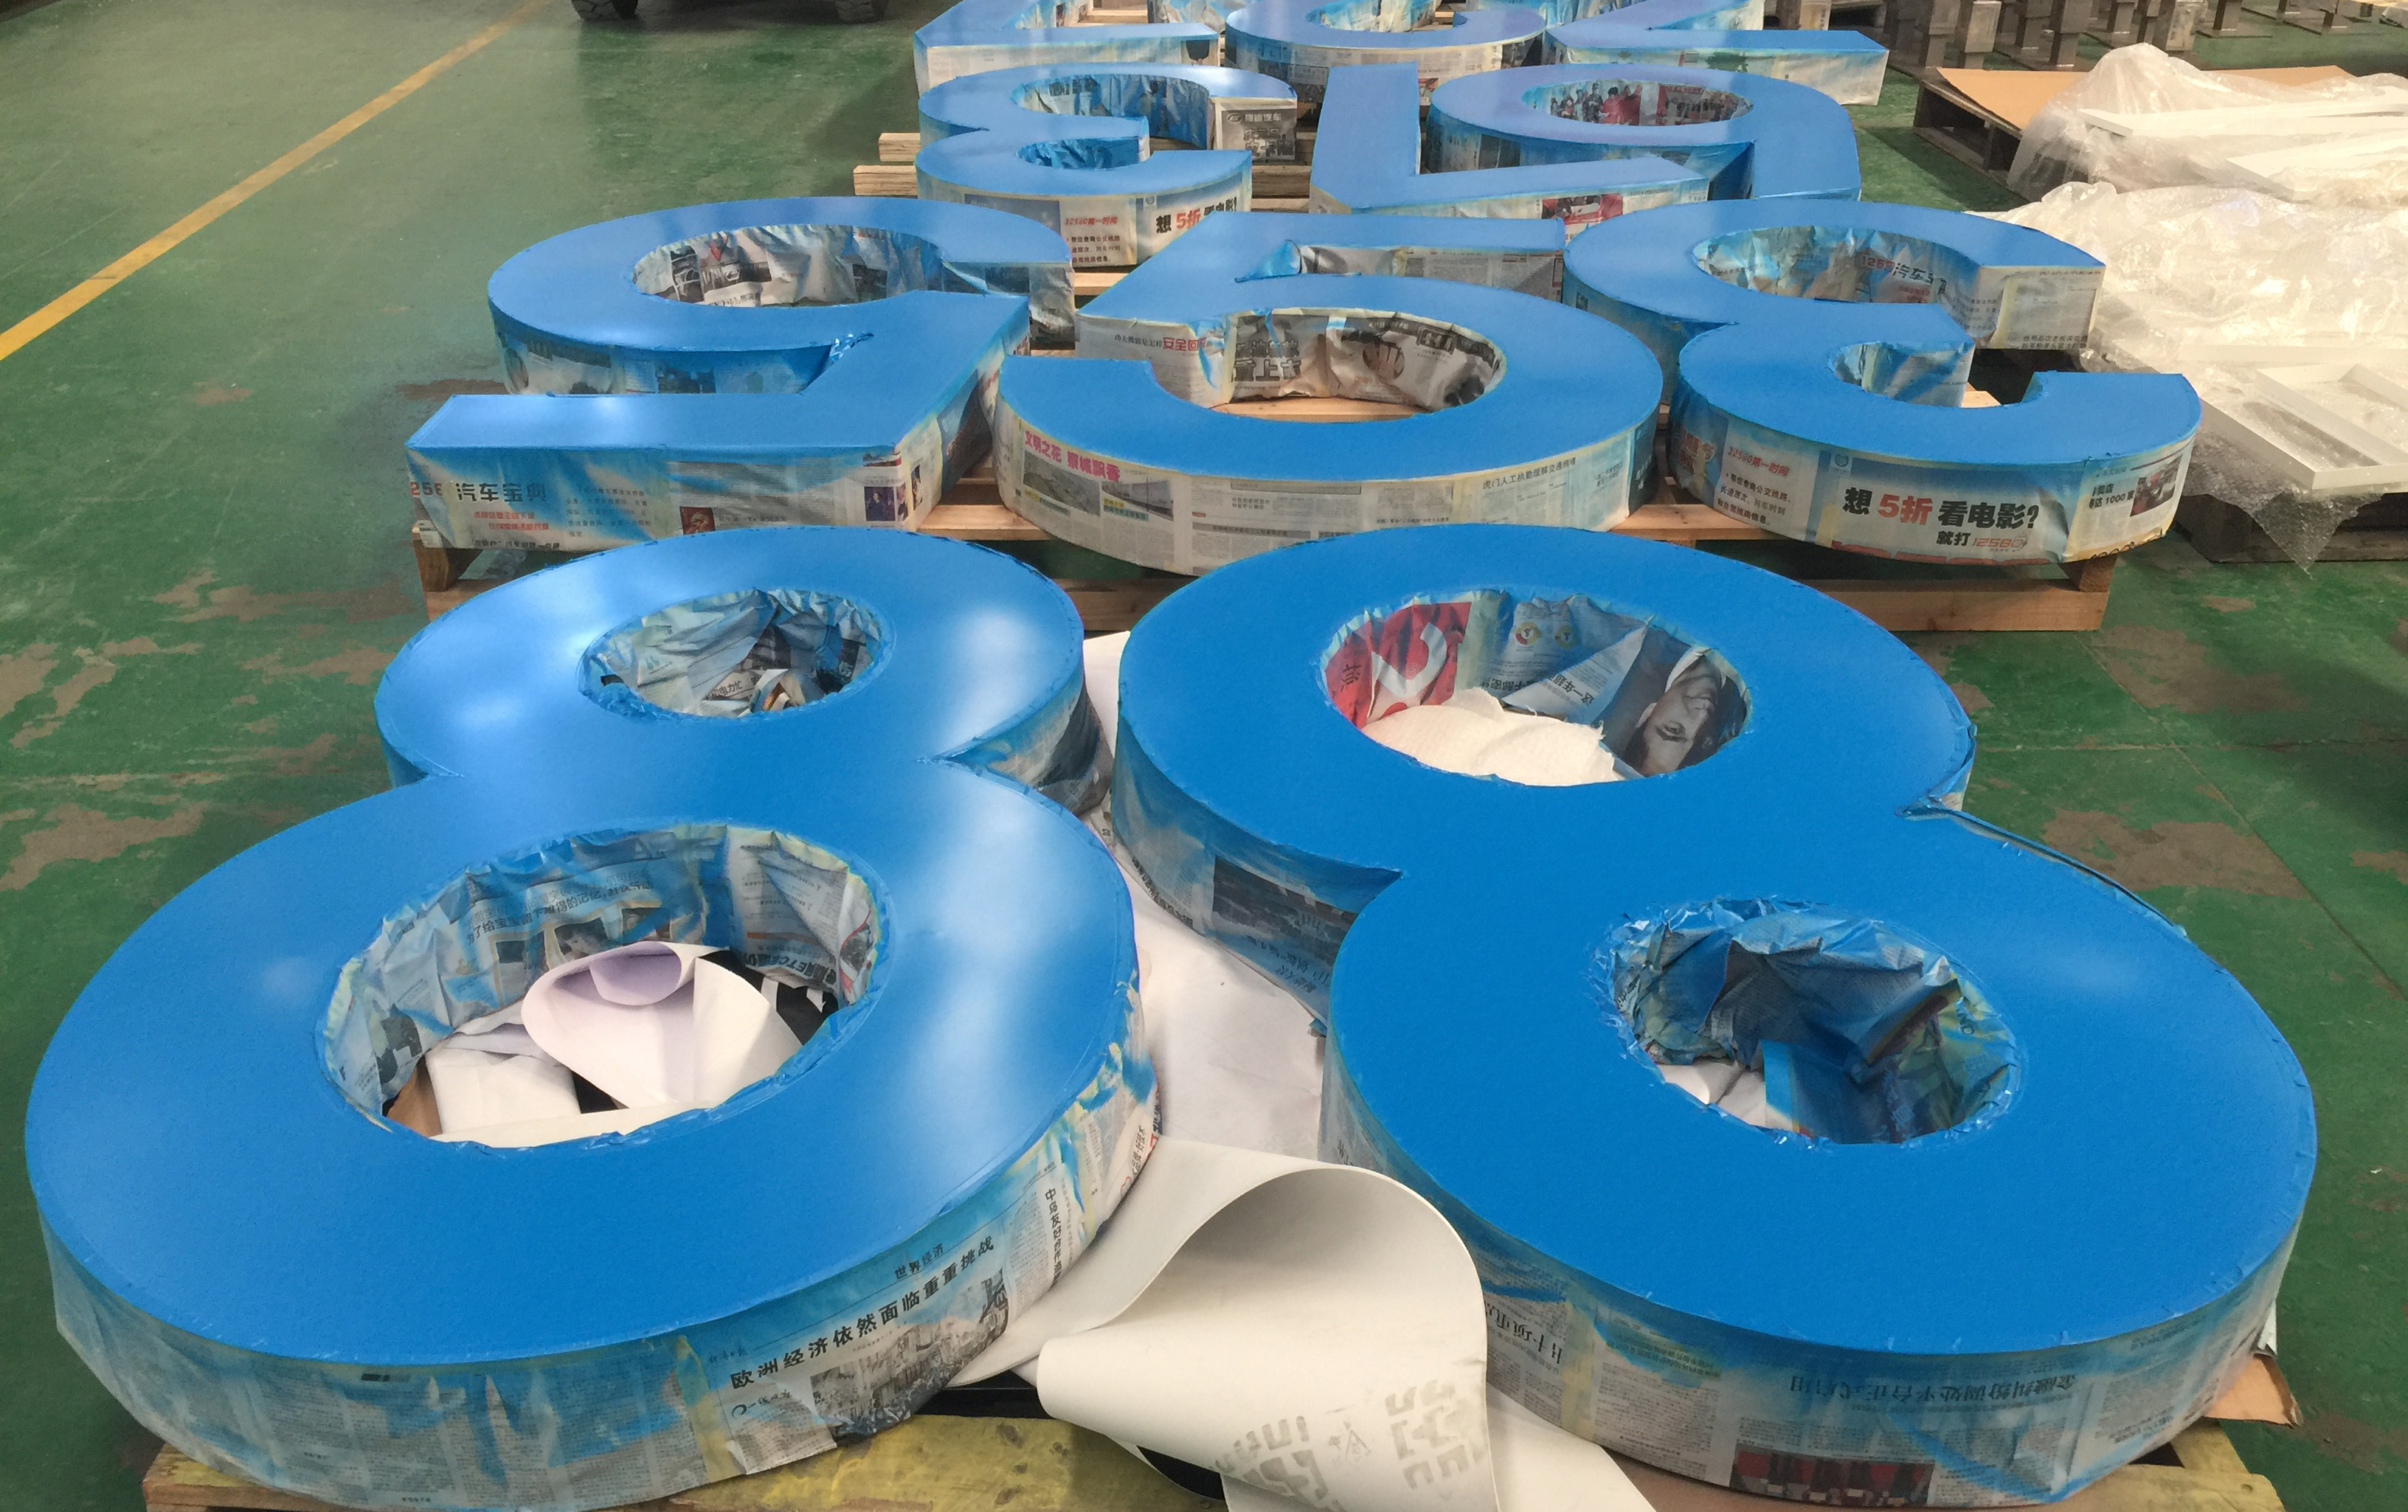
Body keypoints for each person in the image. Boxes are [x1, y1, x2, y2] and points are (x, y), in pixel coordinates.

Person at [1620, 651, 1727, 775]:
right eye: (1702, 740)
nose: (1703, 716)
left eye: (1673, 730)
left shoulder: (1649, 651)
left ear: (1647, 714)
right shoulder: (1740, 703)